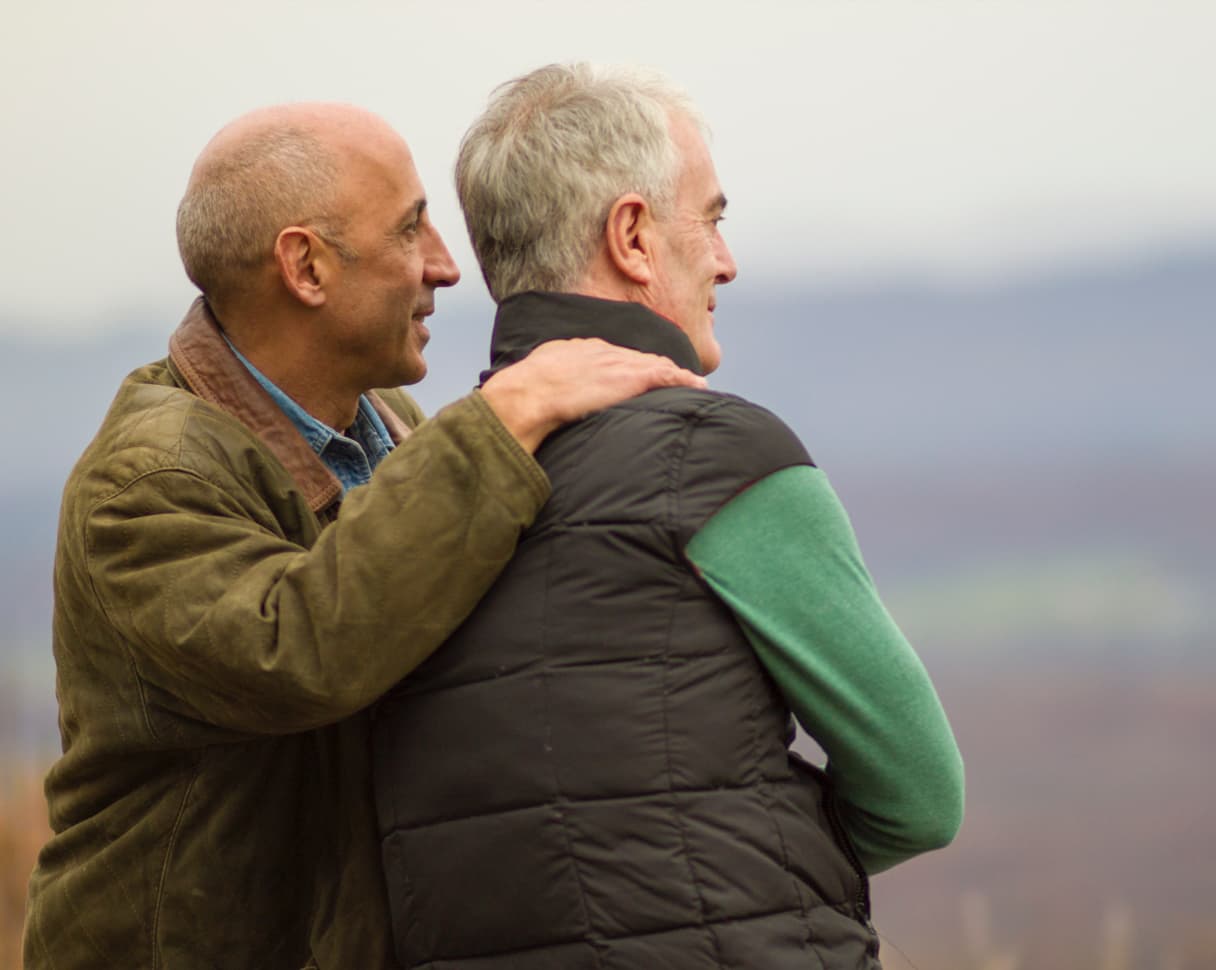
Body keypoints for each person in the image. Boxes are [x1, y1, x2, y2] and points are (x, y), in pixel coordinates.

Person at [21, 101, 706, 970]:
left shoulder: (396, 431)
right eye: (411, 229)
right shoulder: (151, 477)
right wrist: (507, 418)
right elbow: (303, 650)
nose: (446, 267)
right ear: (305, 267)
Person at [373, 64, 965, 970]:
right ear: (634, 237)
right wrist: (761, 862)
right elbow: (921, 795)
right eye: (713, 219)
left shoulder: (402, 495)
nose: (727, 260)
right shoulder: (721, 457)